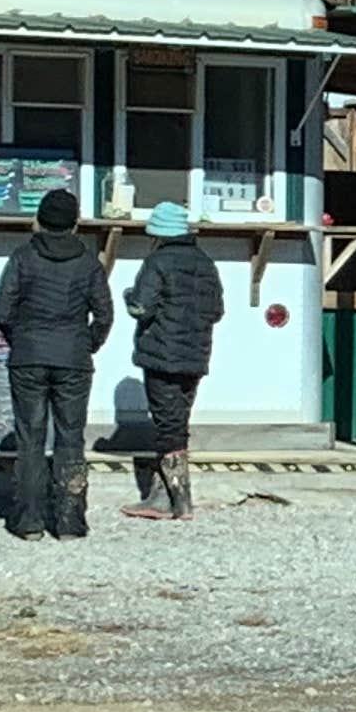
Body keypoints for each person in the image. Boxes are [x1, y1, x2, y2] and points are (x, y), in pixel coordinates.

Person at [0, 185, 113, 540]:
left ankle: (29, 521)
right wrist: (87, 344)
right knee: (71, 437)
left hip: (29, 355)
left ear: (39, 221)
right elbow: (104, 314)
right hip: (73, 356)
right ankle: (71, 522)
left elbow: (2, 309)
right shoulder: (89, 262)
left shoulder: (23, 257)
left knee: (30, 437)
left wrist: (22, 339)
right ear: (75, 224)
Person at [121, 202, 225, 522]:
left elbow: (141, 308)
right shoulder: (206, 263)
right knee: (178, 419)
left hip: (162, 355)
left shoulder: (157, 262)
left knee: (167, 425)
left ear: (158, 234)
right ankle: (162, 494)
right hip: (196, 355)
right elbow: (217, 311)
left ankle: (179, 501)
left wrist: (128, 295)